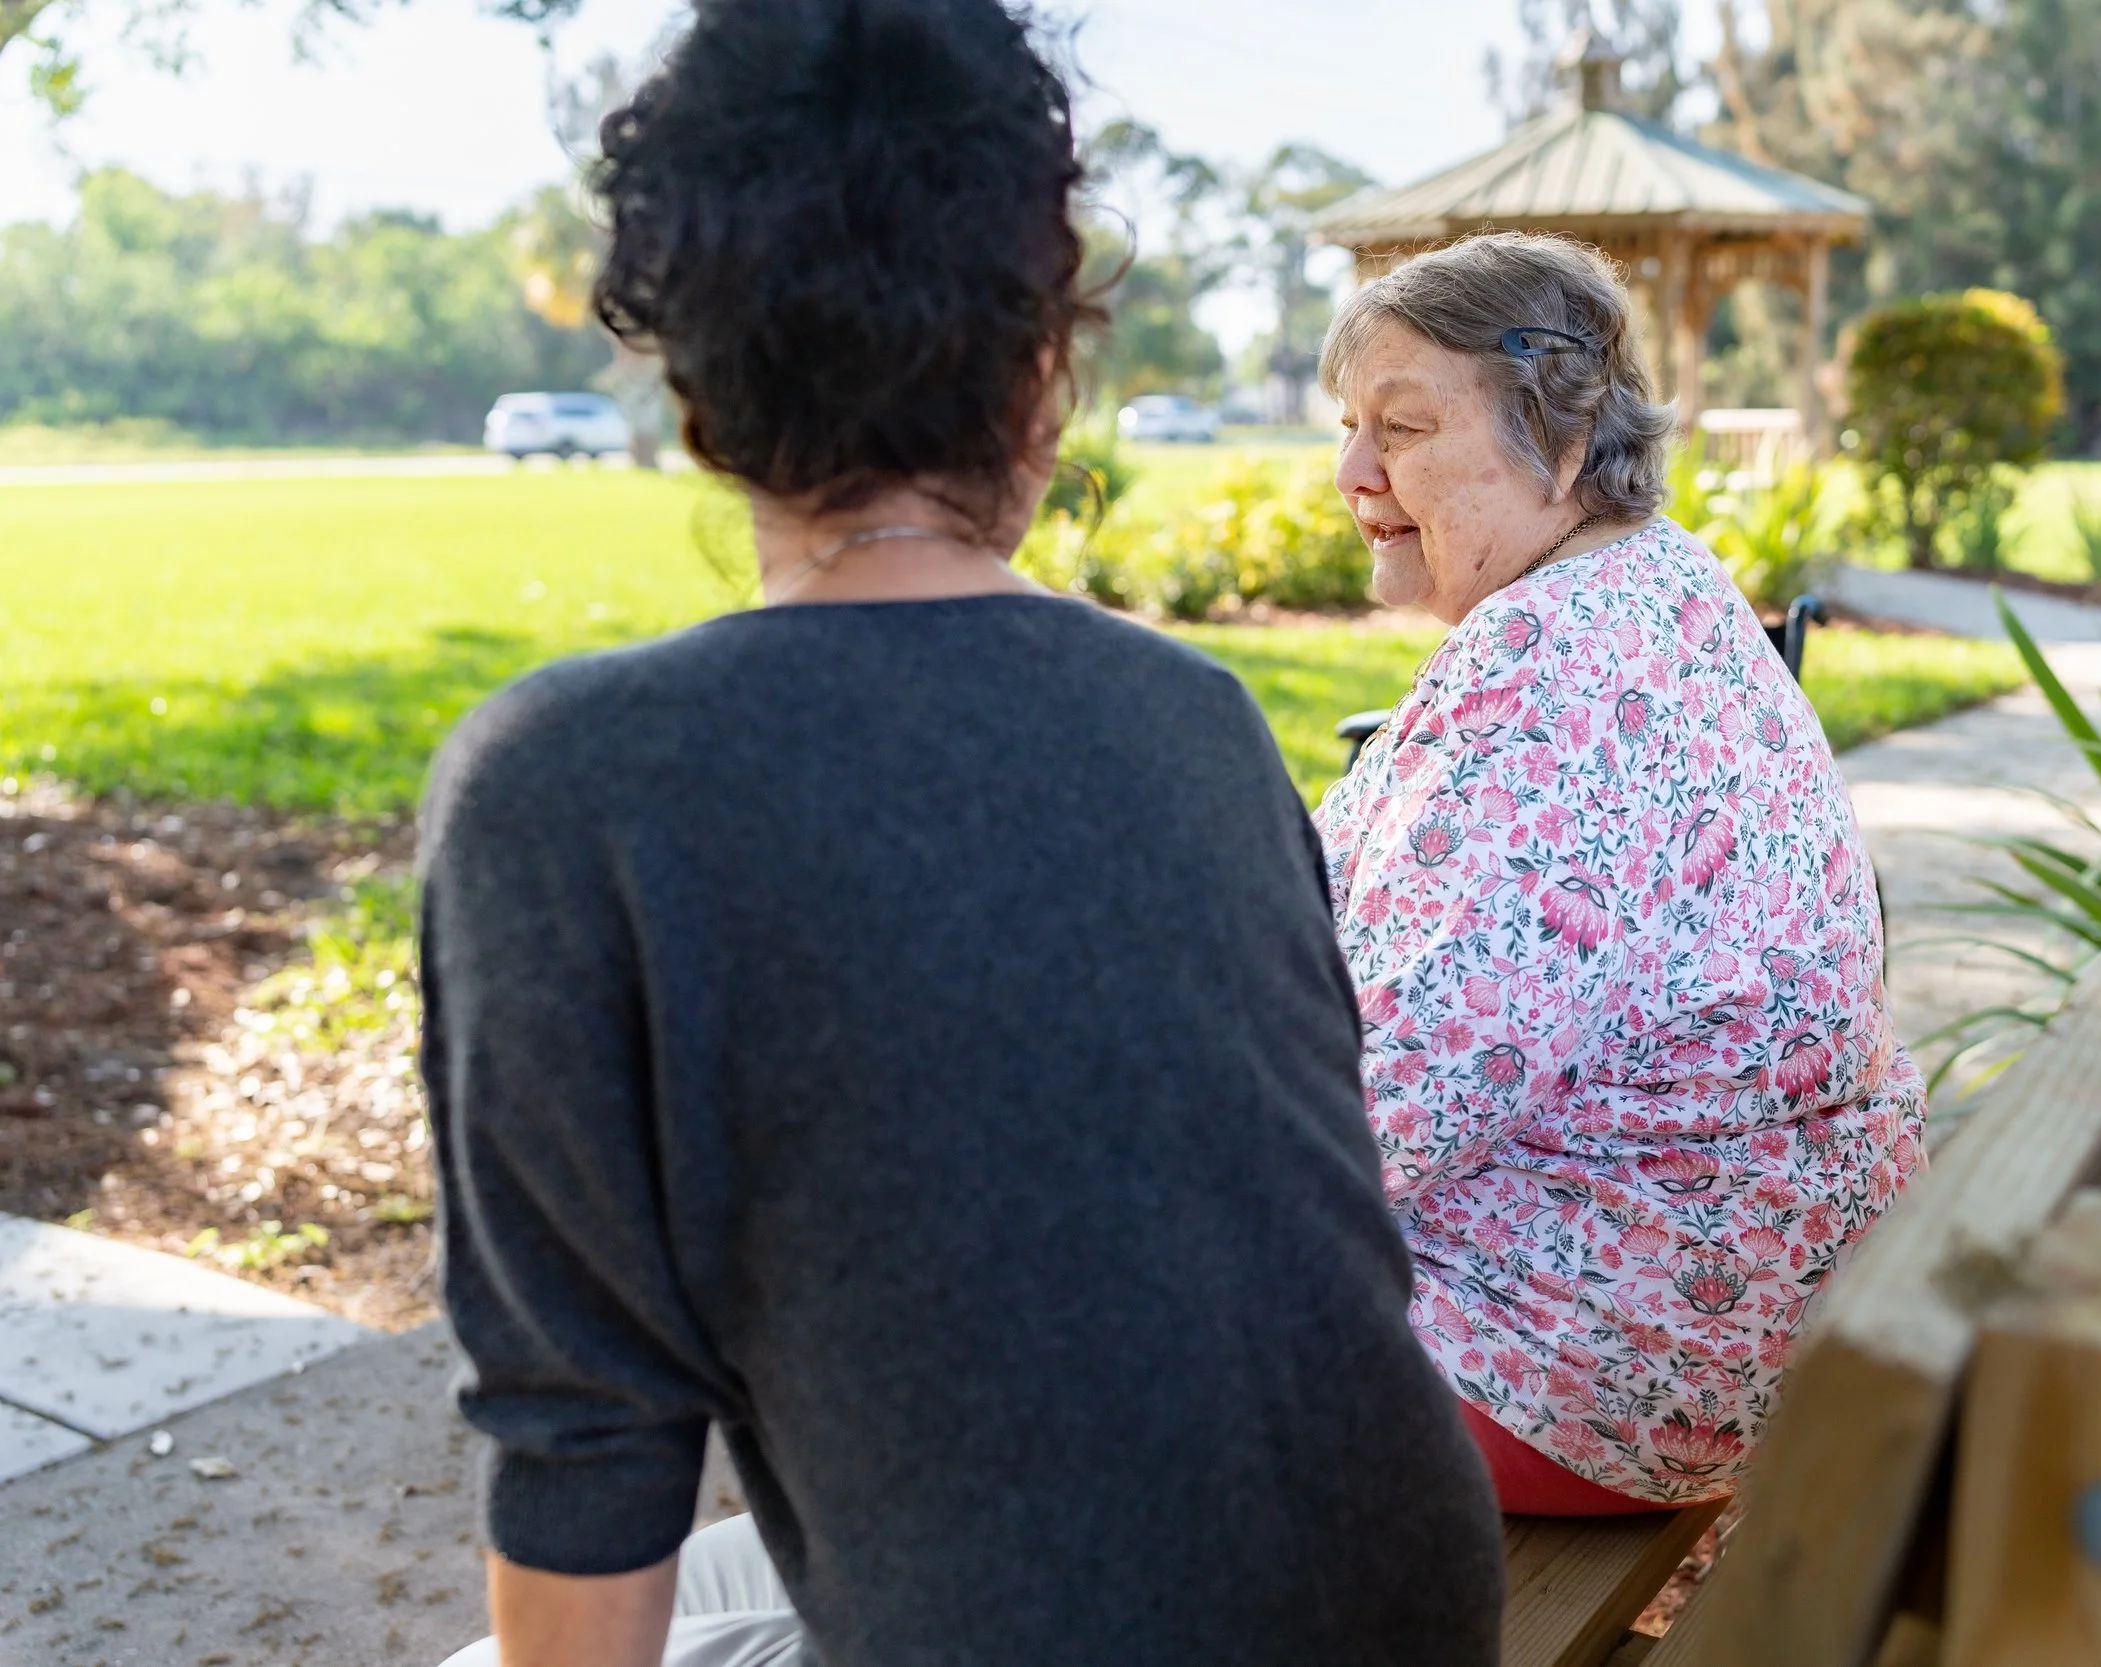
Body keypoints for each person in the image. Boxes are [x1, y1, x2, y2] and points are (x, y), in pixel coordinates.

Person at [422, 3, 1505, 1663]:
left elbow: (587, 1436)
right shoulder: (1197, 719)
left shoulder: (564, 785)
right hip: (1408, 1606)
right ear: (1040, 363)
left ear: (693, 380)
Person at [1313, 232, 1928, 1517]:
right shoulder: (1649, 581)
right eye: (1350, 425)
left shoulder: (1550, 672)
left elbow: (1385, 1104)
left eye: (1405, 427)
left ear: (1569, 439)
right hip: (1705, 1321)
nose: (1354, 472)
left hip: (1575, 1370)